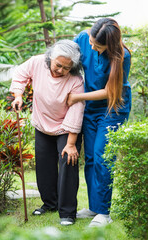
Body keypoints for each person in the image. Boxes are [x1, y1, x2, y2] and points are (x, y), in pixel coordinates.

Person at [10, 39, 85, 226]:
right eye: (58, 65)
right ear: (50, 57)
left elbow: (76, 110)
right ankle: (50, 203)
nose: (60, 70)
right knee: (44, 165)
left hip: (66, 127)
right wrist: (18, 95)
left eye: (66, 68)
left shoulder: (76, 81)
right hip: (42, 123)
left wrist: (71, 143)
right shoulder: (36, 62)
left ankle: (67, 212)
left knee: (68, 161)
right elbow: (20, 74)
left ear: (73, 67)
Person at [68, 18, 132, 227]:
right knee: (91, 159)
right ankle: (94, 207)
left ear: (110, 46)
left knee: (102, 156)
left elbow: (110, 91)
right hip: (91, 108)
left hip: (113, 108)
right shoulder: (84, 38)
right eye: (92, 41)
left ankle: (104, 213)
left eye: (98, 45)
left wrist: (78, 97)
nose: (92, 46)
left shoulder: (122, 56)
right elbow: (66, 58)